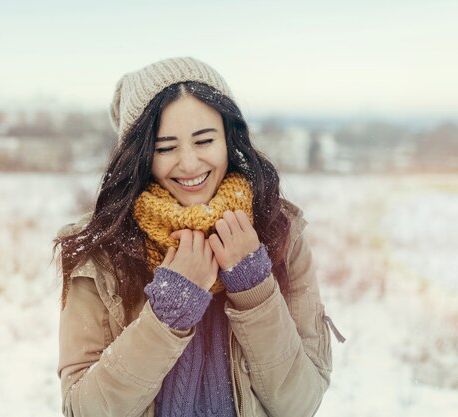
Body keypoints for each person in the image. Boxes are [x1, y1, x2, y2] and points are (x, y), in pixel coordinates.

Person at [54, 57, 342, 417]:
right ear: (139, 155)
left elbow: (300, 403)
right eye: (165, 148)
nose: (189, 164)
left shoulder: (279, 233)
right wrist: (168, 311)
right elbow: (83, 411)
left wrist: (255, 289)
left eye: (204, 140)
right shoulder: (100, 252)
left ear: (228, 139)